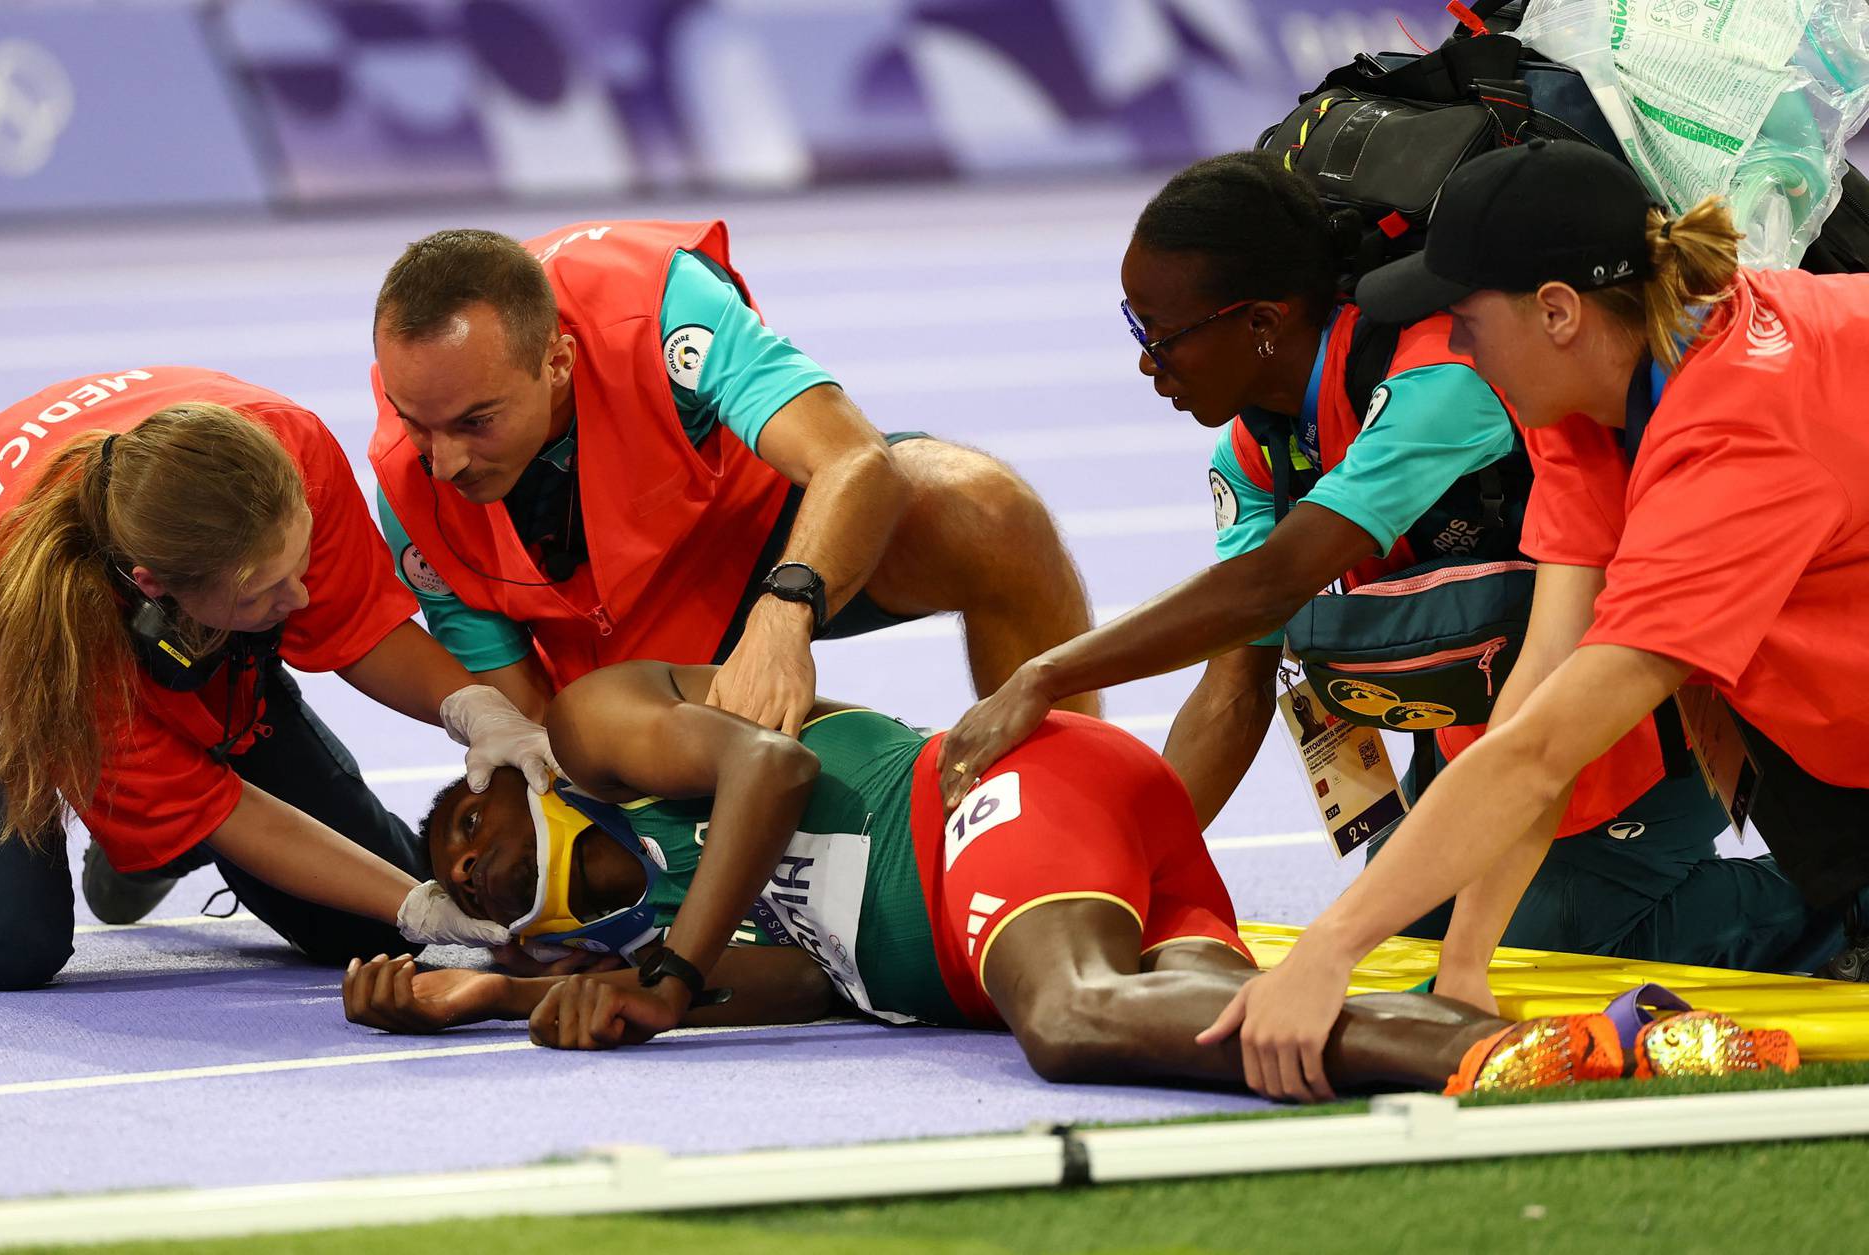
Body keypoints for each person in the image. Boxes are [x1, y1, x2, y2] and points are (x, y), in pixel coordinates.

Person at [933, 151, 1827, 979]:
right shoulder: (1257, 457)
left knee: (1552, 946)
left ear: (1261, 323)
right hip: (1494, 719)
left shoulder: (1444, 381)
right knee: (1409, 940)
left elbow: (1273, 583)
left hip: (1647, 705)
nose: (1144, 359)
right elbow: (1235, 678)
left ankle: (1838, 909)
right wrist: (1123, 873)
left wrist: (1048, 674)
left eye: (1160, 332)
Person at [337, 660, 1795, 1099]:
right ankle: (1641, 1040)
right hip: (1043, 876)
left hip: (992, 802)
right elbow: (831, 977)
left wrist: (652, 977)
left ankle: (1515, 1051)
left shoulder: (601, 731)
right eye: (481, 902)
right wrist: (496, 991)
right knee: (1210, 1013)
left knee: (1078, 1022)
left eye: (462, 850)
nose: (481, 874)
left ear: (480, 805)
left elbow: (775, 775)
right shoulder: (655, 924)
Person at [1206, 138, 1869, 1100]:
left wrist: (1330, 947)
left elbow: (1546, 748)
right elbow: (1534, 700)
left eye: (1464, 323)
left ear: (1557, 310)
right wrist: (1466, 964)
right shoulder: (1586, 399)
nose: (1453, 351)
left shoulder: (1735, 440)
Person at [0, 367, 553, 991]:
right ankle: (149, 813)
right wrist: (413, 902)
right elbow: (226, 811)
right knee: (4, 940)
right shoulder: (48, 621)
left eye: (299, 564)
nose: (299, 599)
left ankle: (155, 825)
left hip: (179, 603)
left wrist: (478, 709)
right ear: (154, 585)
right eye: (266, 590)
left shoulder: (286, 449)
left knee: (368, 933)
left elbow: (357, 622)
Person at [366, 223, 1094, 734]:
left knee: (984, 511)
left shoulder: (659, 307)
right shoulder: (410, 485)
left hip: (759, 542)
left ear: (557, 361)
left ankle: (1086, 809)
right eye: (417, 422)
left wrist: (785, 615)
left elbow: (852, 459)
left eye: (475, 422)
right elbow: (526, 718)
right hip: (619, 669)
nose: (445, 460)